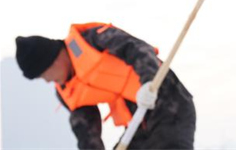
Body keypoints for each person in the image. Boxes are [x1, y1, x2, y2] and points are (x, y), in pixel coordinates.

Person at [15, 23, 195, 149]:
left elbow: (137, 48)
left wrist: (148, 82)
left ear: (53, 61)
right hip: (138, 124)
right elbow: (86, 131)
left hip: (170, 106)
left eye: (44, 75)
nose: (47, 81)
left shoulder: (93, 39)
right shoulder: (66, 92)